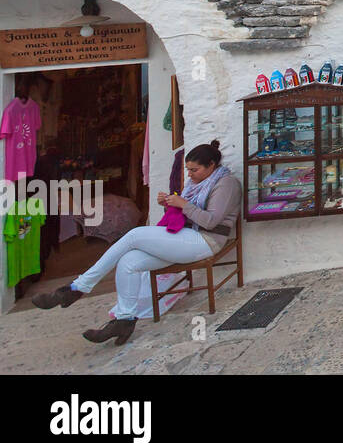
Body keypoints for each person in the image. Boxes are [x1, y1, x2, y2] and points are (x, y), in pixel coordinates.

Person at [32, 140, 240, 345]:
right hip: (186, 238)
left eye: (194, 170)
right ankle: (124, 320)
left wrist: (183, 204)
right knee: (128, 262)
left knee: (134, 235)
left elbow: (211, 221)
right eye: (188, 170)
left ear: (211, 166)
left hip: (205, 240)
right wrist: (170, 203)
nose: (190, 175)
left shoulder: (226, 184)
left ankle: (78, 287)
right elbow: (187, 214)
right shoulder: (199, 183)